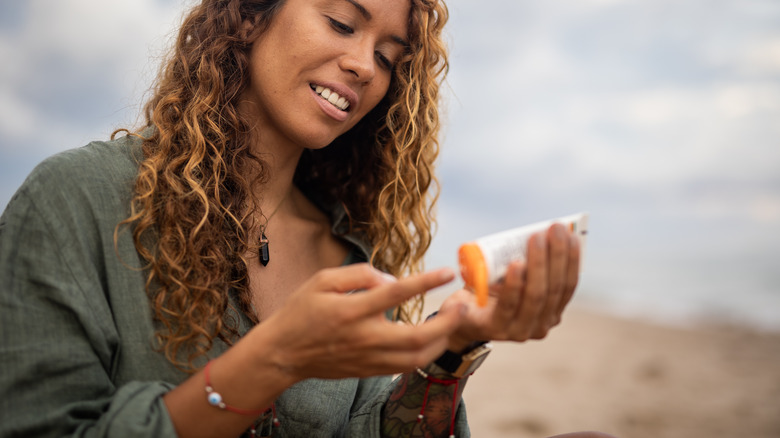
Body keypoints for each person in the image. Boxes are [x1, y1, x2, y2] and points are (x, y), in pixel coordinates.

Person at [0, 0, 605, 437]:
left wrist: (449, 347)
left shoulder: (348, 254)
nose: (365, 67)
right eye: (341, 23)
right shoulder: (77, 201)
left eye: (389, 58)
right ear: (249, 14)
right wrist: (274, 359)